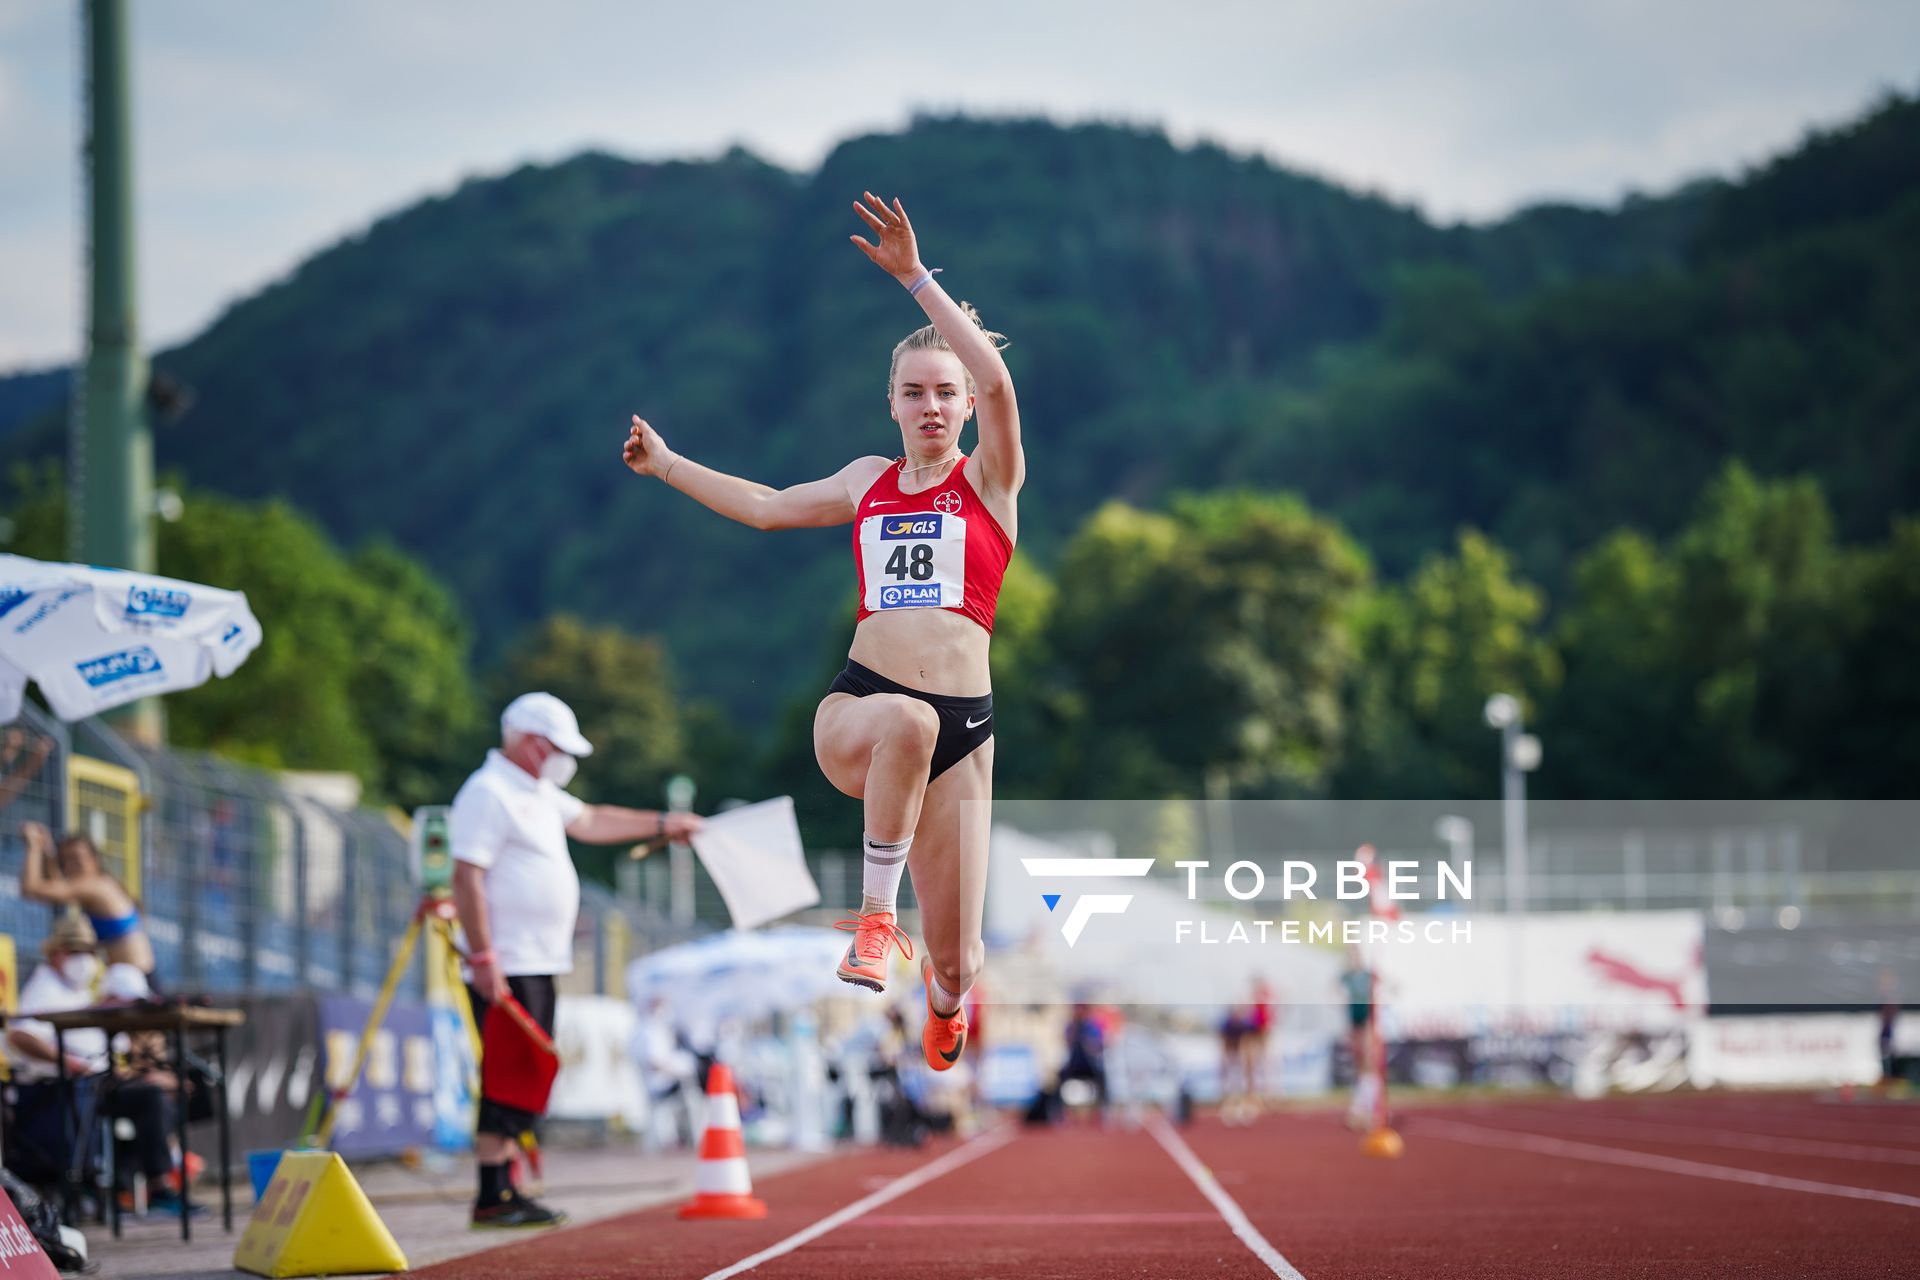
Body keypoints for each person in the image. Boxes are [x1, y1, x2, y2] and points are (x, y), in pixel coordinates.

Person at [623, 192, 1022, 1074]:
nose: (931, 406)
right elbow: (766, 508)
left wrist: (915, 278)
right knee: (907, 721)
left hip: (967, 733)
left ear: (964, 406)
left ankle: (944, 999)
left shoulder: (992, 483)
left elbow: (997, 380)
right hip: (864, 708)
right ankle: (876, 923)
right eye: (913, 393)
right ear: (889, 403)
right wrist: (669, 465)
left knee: (960, 956)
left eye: (944, 394)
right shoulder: (866, 480)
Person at [450, 692, 703, 1229]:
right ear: (533, 743)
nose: (563, 760)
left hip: (537, 959)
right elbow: (466, 876)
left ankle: (506, 1186)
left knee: (524, 1071)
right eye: (558, 748)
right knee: (508, 1071)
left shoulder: (538, 793)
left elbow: (592, 820)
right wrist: (484, 956)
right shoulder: (489, 792)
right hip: (509, 960)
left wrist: (662, 822)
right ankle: (493, 1191)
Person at [5, 913, 187, 1216]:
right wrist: (72, 1063)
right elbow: (21, 1035)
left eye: (89, 952)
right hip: (59, 1090)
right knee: (148, 1099)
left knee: (161, 1095)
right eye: (76, 951)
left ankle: (129, 1184)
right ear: (56, 953)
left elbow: (113, 1054)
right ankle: (147, 1186)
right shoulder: (44, 987)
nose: (85, 959)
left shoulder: (81, 990)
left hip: (95, 1083)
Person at [20, 821, 155, 975]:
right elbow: (58, 885)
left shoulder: (93, 885)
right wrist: (48, 851)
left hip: (135, 981)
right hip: (134, 976)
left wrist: (33, 847)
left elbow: (31, 889)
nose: (71, 866)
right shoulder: (101, 882)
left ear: (94, 859)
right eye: (65, 860)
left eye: (77, 858)